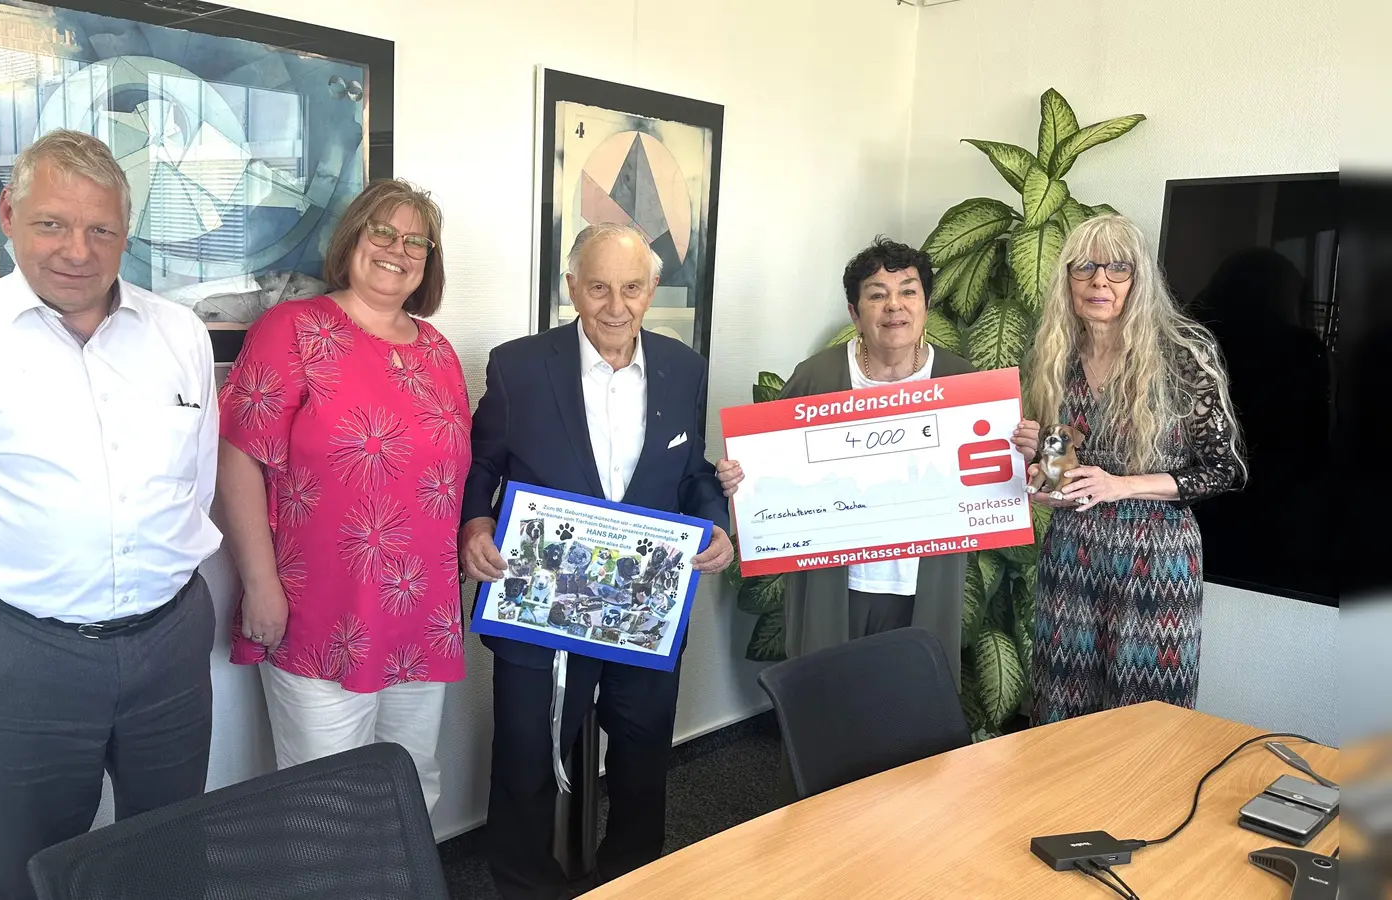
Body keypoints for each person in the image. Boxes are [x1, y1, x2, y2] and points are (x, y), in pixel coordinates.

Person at [0, 129, 221, 900]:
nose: (77, 249)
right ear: (8, 214)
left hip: (170, 641)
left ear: (125, 232)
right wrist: (11, 619)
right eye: (52, 223)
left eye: (100, 229)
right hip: (26, 651)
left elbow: (196, 479)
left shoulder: (179, 334)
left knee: (171, 859)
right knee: (31, 870)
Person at [460, 222, 734, 899]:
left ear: (653, 289)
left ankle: (633, 879)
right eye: (600, 288)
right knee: (524, 758)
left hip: (644, 606)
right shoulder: (519, 366)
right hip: (539, 600)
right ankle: (526, 887)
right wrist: (473, 523)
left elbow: (690, 470)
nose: (617, 305)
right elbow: (483, 464)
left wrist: (715, 523)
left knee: (642, 761)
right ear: (571, 288)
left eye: (633, 287)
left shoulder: (684, 367)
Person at [216, 178, 468, 813]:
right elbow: (237, 458)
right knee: (326, 808)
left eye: (417, 240)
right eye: (382, 231)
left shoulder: (439, 352)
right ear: (353, 237)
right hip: (319, 610)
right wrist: (261, 583)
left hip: (420, 616)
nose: (397, 249)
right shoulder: (292, 330)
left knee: (410, 794)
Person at [715, 238, 1037, 683]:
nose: (894, 306)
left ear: (925, 305)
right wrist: (738, 478)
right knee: (827, 704)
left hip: (922, 582)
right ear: (855, 312)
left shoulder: (965, 384)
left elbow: (1000, 485)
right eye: (876, 294)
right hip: (835, 583)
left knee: (914, 709)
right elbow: (766, 472)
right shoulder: (817, 377)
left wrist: (1022, 451)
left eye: (908, 291)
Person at [1021, 213, 1244, 724]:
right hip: (1072, 555)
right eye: (1086, 267)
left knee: (1146, 720)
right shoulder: (1056, 357)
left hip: (1157, 559)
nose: (1100, 280)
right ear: (1068, 279)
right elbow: (1061, 472)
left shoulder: (1184, 354)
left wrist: (1120, 485)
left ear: (1138, 279)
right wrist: (1042, 480)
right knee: (1061, 710)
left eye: (1118, 268)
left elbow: (1221, 468)